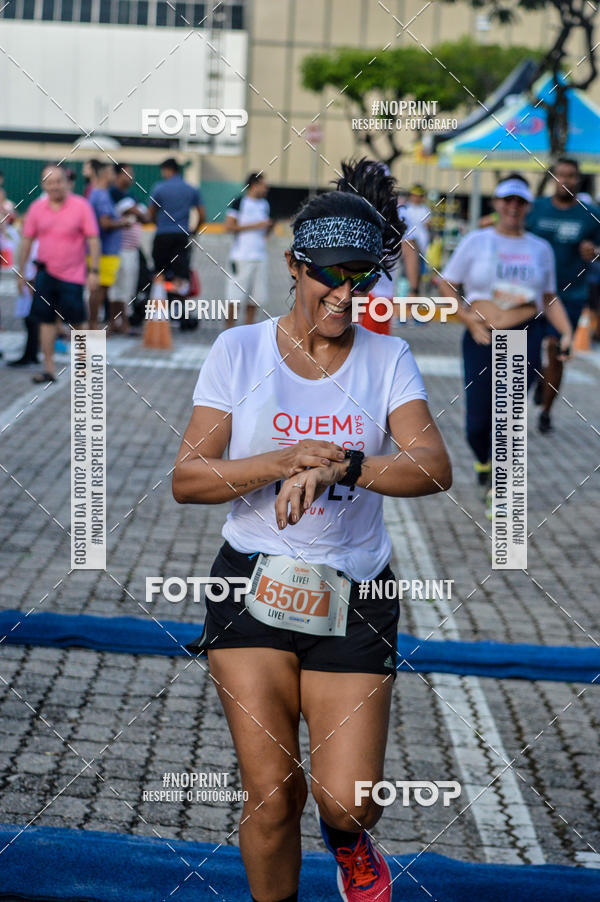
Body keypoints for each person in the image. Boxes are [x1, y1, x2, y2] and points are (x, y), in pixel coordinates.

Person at [173, 158, 452, 902]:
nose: (344, 293)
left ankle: (349, 840)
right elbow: (188, 480)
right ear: (293, 266)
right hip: (253, 585)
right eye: (328, 275)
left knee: (346, 800)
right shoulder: (240, 351)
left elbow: (432, 466)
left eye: (362, 277)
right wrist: (283, 459)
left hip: (356, 593)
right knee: (270, 796)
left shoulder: (386, 357)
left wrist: (344, 467)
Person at [438, 173, 572, 512]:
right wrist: (467, 318)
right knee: (477, 423)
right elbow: (447, 284)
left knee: (508, 418)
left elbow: (549, 296)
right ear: (496, 203)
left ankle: (500, 491)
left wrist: (567, 332)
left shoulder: (539, 248)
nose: (513, 207)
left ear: (527, 207)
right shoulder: (476, 241)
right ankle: (482, 462)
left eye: (520, 201)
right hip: (481, 337)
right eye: (507, 200)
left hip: (524, 335)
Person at [526, 158, 600, 432]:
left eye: (571, 176)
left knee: (556, 352)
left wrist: (592, 253)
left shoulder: (589, 214)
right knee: (531, 351)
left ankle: (546, 410)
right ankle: (539, 380)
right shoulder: (536, 209)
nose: (566, 181)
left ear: (578, 180)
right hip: (534, 293)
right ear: (553, 178)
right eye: (561, 176)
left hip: (571, 294)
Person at [17, 164, 100, 383]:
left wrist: (94, 271)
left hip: (73, 275)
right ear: (44, 185)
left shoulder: (81, 206)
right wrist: (21, 272)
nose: (54, 186)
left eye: (58, 181)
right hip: (45, 273)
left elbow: (93, 239)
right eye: (49, 182)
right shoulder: (37, 208)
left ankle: (83, 367)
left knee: (77, 321)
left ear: (66, 182)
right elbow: (26, 240)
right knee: (45, 321)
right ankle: (49, 368)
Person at [149, 158, 205, 316]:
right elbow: (202, 215)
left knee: (160, 272)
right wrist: (194, 230)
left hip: (163, 235)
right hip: (181, 236)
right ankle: (178, 309)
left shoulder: (159, 188)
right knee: (180, 274)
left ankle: (159, 308)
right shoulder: (191, 189)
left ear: (167, 170)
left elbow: (151, 213)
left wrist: (159, 225)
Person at [224, 172, 274, 327]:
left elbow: (266, 228)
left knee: (256, 297)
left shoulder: (265, 204)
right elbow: (229, 226)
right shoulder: (240, 202)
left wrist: (268, 229)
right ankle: (229, 329)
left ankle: (248, 328)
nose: (266, 188)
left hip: (260, 256)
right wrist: (256, 225)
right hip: (241, 256)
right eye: (264, 185)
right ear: (254, 185)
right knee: (235, 296)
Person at [87, 162, 129, 330]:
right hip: (104, 251)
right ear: (104, 174)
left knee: (100, 290)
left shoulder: (97, 194)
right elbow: (105, 223)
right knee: (99, 291)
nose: (114, 176)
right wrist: (123, 222)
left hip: (105, 250)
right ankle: (93, 325)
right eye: (112, 173)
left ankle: (93, 324)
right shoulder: (102, 195)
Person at [108, 163, 148, 334]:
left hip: (131, 248)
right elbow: (142, 215)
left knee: (126, 288)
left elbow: (144, 216)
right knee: (118, 288)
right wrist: (137, 213)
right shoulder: (115, 193)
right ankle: (119, 323)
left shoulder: (130, 195)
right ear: (117, 175)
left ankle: (120, 322)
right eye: (127, 173)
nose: (131, 177)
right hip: (120, 248)